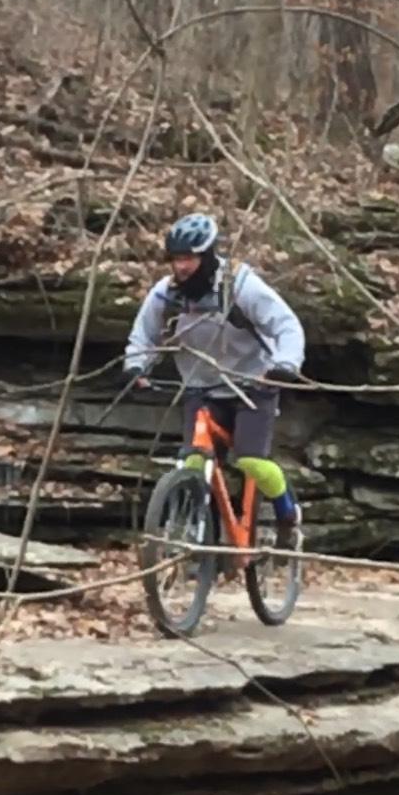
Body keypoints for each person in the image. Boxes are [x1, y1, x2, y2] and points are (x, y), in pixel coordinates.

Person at [122, 212, 305, 545]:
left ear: (207, 256)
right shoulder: (166, 295)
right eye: (177, 259)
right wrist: (136, 367)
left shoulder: (241, 285)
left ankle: (287, 510)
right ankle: (196, 538)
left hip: (252, 385)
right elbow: (142, 337)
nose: (182, 266)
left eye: (190, 258)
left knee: (251, 461)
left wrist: (285, 364)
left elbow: (286, 326)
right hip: (199, 388)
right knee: (192, 460)